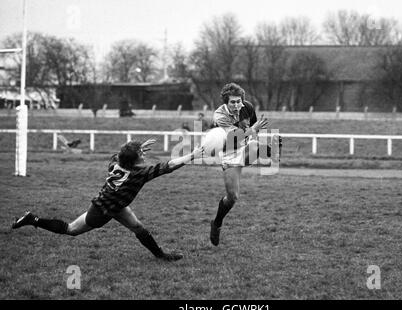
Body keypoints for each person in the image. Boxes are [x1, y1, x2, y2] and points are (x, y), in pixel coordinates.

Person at [12, 139, 204, 261]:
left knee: (138, 227)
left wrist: (137, 148)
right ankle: (33, 219)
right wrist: (192, 156)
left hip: (115, 204)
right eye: (141, 154)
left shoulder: (116, 163)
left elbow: (119, 154)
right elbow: (168, 166)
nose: (144, 155)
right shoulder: (138, 174)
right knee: (70, 230)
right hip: (102, 211)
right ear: (134, 160)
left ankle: (161, 256)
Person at [209, 82, 282, 246]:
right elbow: (234, 138)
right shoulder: (219, 115)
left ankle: (267, 151)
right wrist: (254, 130)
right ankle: (217, 223)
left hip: (247, 145)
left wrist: (256, 136)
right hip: (229, 151)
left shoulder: (247, 107)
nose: (236, 105)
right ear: (225, 102)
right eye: (232, 102)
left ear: (242, 100)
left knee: (255, 145)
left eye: (238, 101)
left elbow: (254, 129)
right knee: (232, 197)